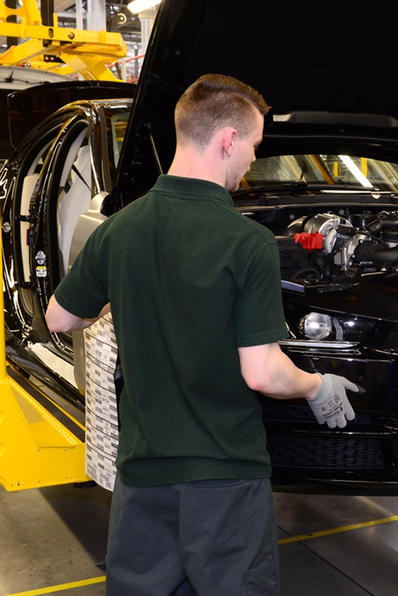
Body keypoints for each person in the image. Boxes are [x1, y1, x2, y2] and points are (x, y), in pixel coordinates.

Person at [45, 74, 360, 595]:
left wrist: (119, 293)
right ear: (228, 140)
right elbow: (261, 372)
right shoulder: (247, 242)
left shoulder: (118, 231)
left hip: (142, 475)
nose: (252, 162)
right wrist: (314, 385)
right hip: (225, 478)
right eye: (254, 147)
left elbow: (60, 319)